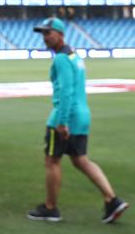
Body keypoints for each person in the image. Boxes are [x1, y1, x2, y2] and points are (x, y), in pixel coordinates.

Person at [27, 17, 129, 223]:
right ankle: (112, 199)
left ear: (60, 34)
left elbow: (66, 92)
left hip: (66, 117)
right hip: (82, 116)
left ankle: (50, 208)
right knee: (81, 160)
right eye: (43, 34)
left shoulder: (61, 59)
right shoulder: (75, 57)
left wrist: (62, 121)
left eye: (48, 33)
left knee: (52, 160)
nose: (44, 38)